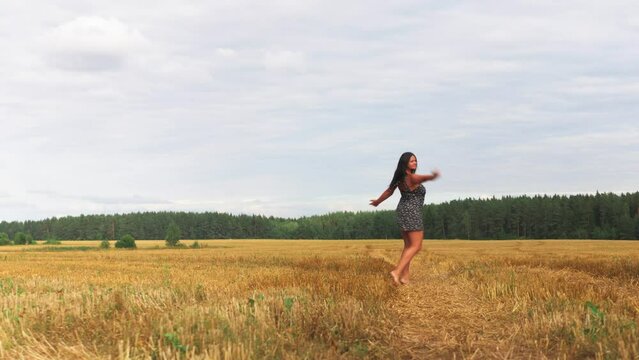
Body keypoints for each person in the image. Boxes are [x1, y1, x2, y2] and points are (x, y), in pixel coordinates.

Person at [370, 152, 440, 285]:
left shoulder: (400, 178)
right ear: (405, 164)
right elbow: (421, 178)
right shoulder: (411, 177)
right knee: (416, 246)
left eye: (416, 161)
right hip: (412, 212)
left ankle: (405, 278)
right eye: (412, 161)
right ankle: (397, 272)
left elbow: (389, 191)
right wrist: (432, 176)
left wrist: (378, 202)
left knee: (408, 246)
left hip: (402, 211)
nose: (415, 163)